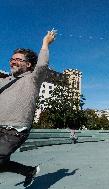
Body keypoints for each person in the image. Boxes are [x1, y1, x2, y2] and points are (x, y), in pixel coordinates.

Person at [0, 29, 57, 187]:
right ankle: (28, 171)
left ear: (28, 64)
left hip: (14, 130)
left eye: (18, 59)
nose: (13, 61)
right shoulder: (5, 81)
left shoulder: (33, 79)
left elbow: (42, 65)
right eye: (12, 59)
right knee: (1, 163)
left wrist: (45, 43)